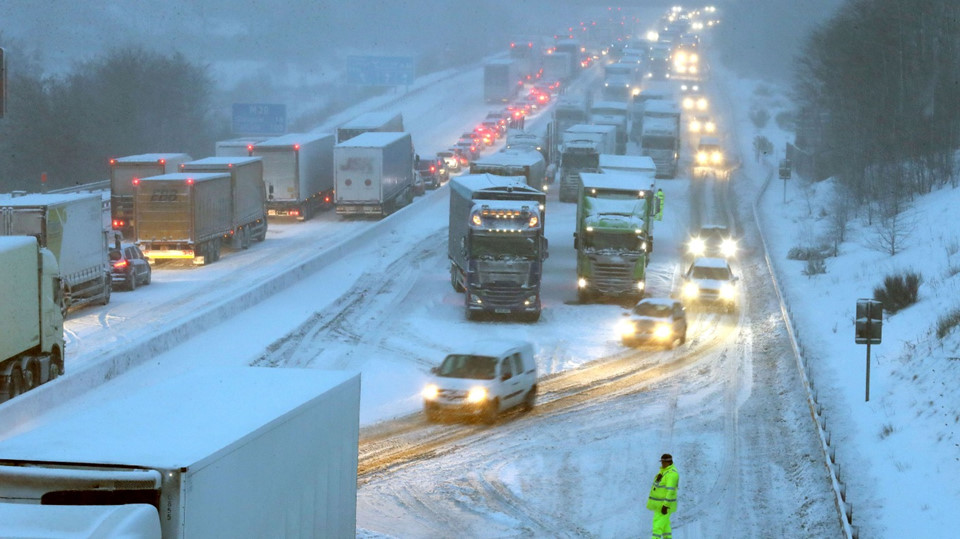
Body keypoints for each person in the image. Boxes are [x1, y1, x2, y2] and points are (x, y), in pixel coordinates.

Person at [647, 453, 679, 539]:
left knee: (657, 526)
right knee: (665, 527)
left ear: (669, 462)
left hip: (663, 506)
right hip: (659, 505)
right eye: (661, 462)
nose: (662, 464)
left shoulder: (671, 474)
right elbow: (658, 487)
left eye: (663, 462)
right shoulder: (664, 472)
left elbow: (670, 492)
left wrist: (665, 506)